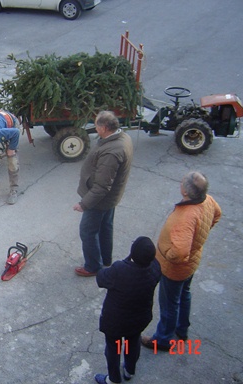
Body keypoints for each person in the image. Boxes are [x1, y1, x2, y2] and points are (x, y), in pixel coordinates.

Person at [141, 171, 221, 351]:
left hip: (174, 270)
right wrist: (200, 237)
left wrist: (166, 253)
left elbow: (179, 252)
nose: (181, 183)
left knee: (169, 304)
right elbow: (217, 214)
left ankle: (162, 340)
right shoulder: (207, 200)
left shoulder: (185, 217)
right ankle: (182, 329)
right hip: (192, 263)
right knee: (184, 294)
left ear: (185, 192)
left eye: (183, 182)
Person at [72, 111, 133, 277]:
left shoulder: (111, 152)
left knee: (87, 231)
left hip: (99, 201)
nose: (95, 128)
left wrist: (83, 204)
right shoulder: (122, 138)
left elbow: (101, 186)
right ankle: (105, 259)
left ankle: (93, 266)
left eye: (97, 125)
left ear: (105, 128)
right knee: (105, 227)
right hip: (110, 199)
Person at [94, 237, 161, 384]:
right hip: (139, 319)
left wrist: (125, 260)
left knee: (114, 347)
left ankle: (113, 378)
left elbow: (101, 279)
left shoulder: (120, 269)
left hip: (116, 322)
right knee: (133, 341)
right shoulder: (156, 267)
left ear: (133, 254)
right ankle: (129, 370)